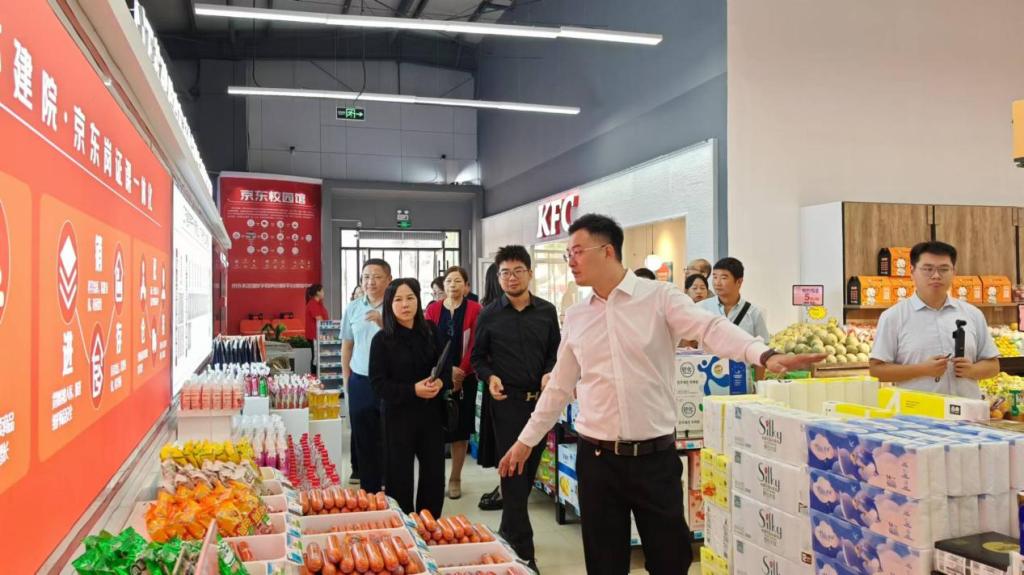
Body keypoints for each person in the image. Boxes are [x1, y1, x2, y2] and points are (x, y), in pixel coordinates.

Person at [498, 214, 823, 575]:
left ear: (607, 251)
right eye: (567, 254)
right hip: (597, 460)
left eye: (577, 251)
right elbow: (559, 386)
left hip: (654, 459)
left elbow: (710, 328)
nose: (570, 261)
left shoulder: (659, 298)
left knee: (670, 561)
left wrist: (762, 354)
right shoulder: (577, 316)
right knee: (604, 565)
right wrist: (526, 441)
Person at [472, 246, 560, 572]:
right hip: (506, 405)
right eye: (505, 273)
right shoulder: (489, 314)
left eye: (518, 271)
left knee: (523, 480)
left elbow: (556, 352)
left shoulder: (547, 311)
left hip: (540, 407)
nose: (511, 278)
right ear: (498, 278)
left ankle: (506, 540)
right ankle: (525, 557)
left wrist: (550, 371)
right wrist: (490, 376)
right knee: (514, 481)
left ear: (530, 273)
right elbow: (478, 358)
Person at [869, 241, 999, 398]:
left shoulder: (973, 314)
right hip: (917, 411)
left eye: (944, 269)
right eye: (928, 269)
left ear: (954, 272)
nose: (936, 275)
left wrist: (972, 370)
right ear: (912, 271)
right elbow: (876, 370)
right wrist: (922, 369)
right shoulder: (893, 317)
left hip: (967, 409)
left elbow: (993, 366)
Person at [368, 278, 446, 517]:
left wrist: (441, 381)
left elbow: (445, 365)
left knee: (434, 473)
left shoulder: (431, 331)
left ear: (418, 301)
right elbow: (378, 385)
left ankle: (429, 523)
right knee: (399, 474)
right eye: (398, 300)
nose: (405, 304)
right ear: (389, 304)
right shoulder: (382, 340)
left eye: (410, 298)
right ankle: (403, 524)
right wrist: (413, 390)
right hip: (398, 417)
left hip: (431, 414)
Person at [424, 266, 482, 500]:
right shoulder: (432, 309)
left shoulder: (475, 309)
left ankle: (455, 477)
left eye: (458, 281)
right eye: (448, 281)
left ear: (466, 286)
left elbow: (476, 343)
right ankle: (435, 477)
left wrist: (461, 372)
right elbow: (428, 343)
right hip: (437, 377)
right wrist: (447, 371)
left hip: (465, 378)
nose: (452, 285)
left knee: (460, 429)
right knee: (435, 428)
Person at [342, 258, 392, 493]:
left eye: (377, 277)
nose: (370, 282)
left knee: (388, 434)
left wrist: (383, 323)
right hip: (360, 380)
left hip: (389, 381)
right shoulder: (353, 308)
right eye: (366, 277)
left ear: (388, 280)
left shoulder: (396, 306)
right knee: (363, 436)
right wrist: (346, 379)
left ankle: (389, 486)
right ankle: (368, 489)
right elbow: (347, 346)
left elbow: (404, 342)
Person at [477, 263, 505, 512]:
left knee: (502, 441)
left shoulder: (486, 310)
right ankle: (505, 487)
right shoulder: (491, 311)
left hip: (494, 381)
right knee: (505, 440)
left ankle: (506, 489)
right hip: (499, 382)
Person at [698, 257, 770, 342]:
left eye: (723, 278)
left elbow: (763, 345)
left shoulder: (754, 312)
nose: (717, 283)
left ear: (739, 281)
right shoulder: (701, 308)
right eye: (715, 277)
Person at [305, 284, 329, 375]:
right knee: (316, 358)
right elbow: (319, 319)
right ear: (318, 292)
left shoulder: (319, 303)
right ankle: (314, 377)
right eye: (322, 291)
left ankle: (318, 376)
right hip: (314, 335)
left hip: (320, 334)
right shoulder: (312, 304)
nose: (324, 293)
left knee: (318, 357)